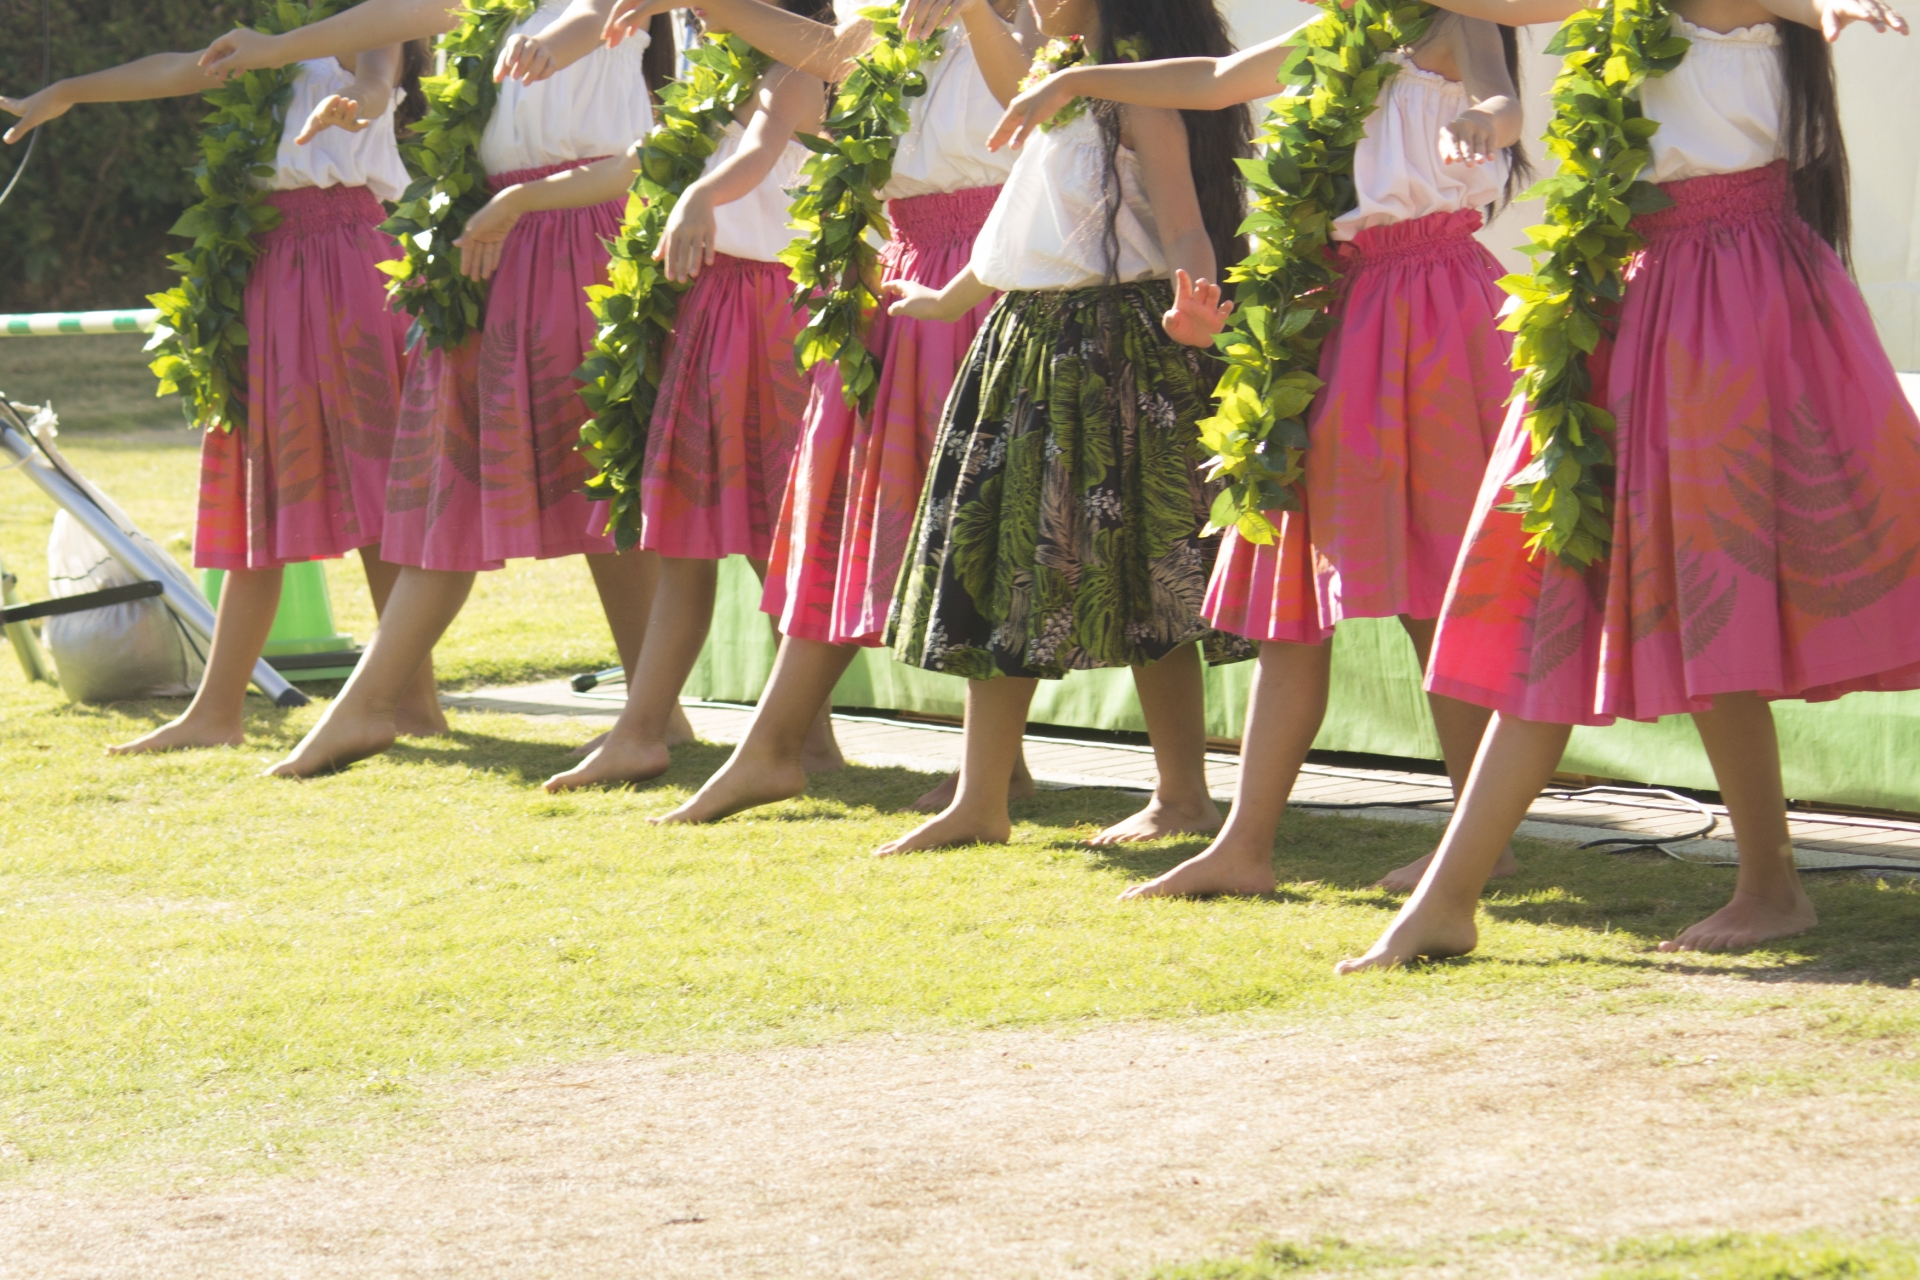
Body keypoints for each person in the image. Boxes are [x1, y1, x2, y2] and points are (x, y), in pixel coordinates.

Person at [1339, 0, 1917, 969]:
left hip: (1733, 306)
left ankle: (1768, 882)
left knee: (1713, 582)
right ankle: (1451, 895)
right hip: (1635, 297)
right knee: (1554, 582)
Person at [995, 11, 1530, 896]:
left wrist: (1490, 121)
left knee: (1433, 585)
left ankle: (1483, 837)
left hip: (1431, 310)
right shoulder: (1339, 32)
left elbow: (1500, 95)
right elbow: (1213, 77)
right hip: (1334, 307)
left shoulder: (1452, 20)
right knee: (1291, 582)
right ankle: (1244, 848)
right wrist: (1075, 80)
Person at [203, 0, 685, 777]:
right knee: (448, 475)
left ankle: (652, 713)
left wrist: (545, 44)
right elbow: (392, 13)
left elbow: (595, 15)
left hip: (582, 230)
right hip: (492, 238)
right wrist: (277, 48)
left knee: (601, 481)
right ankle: (381, 705)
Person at [597, 0, 1046, 822]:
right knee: (857, 514)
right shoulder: (899, 29)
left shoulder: (1029, 21)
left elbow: (1028, 95)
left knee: (974, 522)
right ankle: (776, 748)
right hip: (901, 274)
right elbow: (826, 54)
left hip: (983, 280)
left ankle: (1000, 774)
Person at [876, 0, 1256, 855]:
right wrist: (951, 298)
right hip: (1029, 335)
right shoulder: (1061, 76)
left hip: (1117, 342)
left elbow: (1186, 219)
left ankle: (1183, 797)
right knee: (1005, 563)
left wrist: (1200, 308)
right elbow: (1028, 214)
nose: (1038, 5)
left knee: (1150, 574)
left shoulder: (1135, 89)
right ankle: (981, 801)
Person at [3, 34, 442, 753]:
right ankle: (220, 712)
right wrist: (72, 89)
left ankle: (408, 701)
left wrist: (356, 107)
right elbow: (175, 67)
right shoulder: (273, 38)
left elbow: (374, 78)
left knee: (375, 486)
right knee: (260, 481)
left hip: (348, 260)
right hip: (269, 265)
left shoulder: (373, 23)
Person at [496, 0, 846, 792]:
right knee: (688, 533)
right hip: (716, 307)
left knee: (771, 531)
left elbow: (757, 154)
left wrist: (697, 197)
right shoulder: (712, 75)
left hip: (773, 310)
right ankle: (646, 731)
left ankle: (794, 739)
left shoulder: (805, 72)